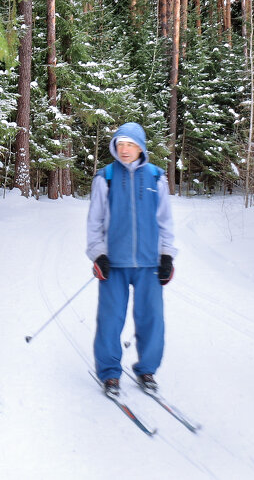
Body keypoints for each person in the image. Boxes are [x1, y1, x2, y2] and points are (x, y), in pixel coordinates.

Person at [85, 122, 177, 396]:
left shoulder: (156, 177)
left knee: (152, 319)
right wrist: (98, 255)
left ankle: (147, 370)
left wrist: (167, 256)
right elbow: (95, 222)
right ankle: (110, 373)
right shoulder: (106, 178)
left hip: (149, 264)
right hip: (114, 264)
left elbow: (165, 222)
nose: (125, 150)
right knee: (110, 320)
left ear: (141, 147)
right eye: (120, 144)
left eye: (131, 144)